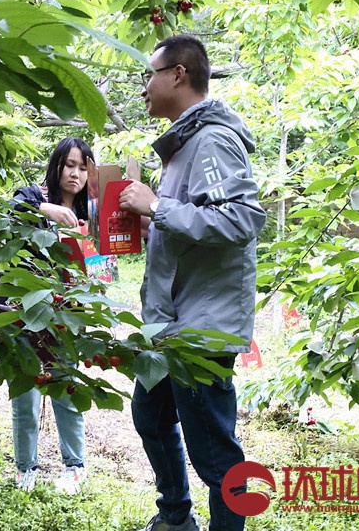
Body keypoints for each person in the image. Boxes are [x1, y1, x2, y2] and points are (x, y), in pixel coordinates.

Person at [118, 35, 267, 531]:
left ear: (177, 74)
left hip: (201, 329)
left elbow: (242, 219)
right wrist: (150, 222)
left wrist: (157, 206)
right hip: (173, 325)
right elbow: (195, 222)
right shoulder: (186, 144)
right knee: (152, 416)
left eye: (149, 75)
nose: (144, 88)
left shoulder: (211, 140)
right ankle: (176, 518)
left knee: (216, 454)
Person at [0, 137, 94, 495]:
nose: (76, 173)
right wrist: (45, 210)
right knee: (25, 394)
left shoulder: (89, 215)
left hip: (66, 315)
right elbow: (10, 209)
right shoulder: (33, 198)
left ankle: (75, 467)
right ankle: (26, 468)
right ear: (56, 166)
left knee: (65, 388)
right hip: (22, 311)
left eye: (83, 167)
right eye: (70, 165)